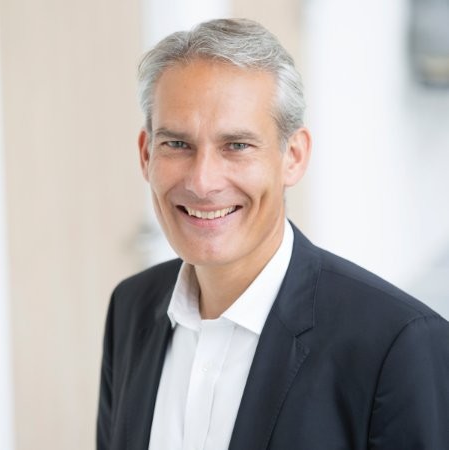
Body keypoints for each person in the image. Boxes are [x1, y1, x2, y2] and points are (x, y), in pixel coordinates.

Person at [96, 18, 449, 450]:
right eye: (177, 144)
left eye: (237, 146)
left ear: (293, 157)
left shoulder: (398, 344)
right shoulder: (130, 309)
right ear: (146, 154)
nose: (203, 182)